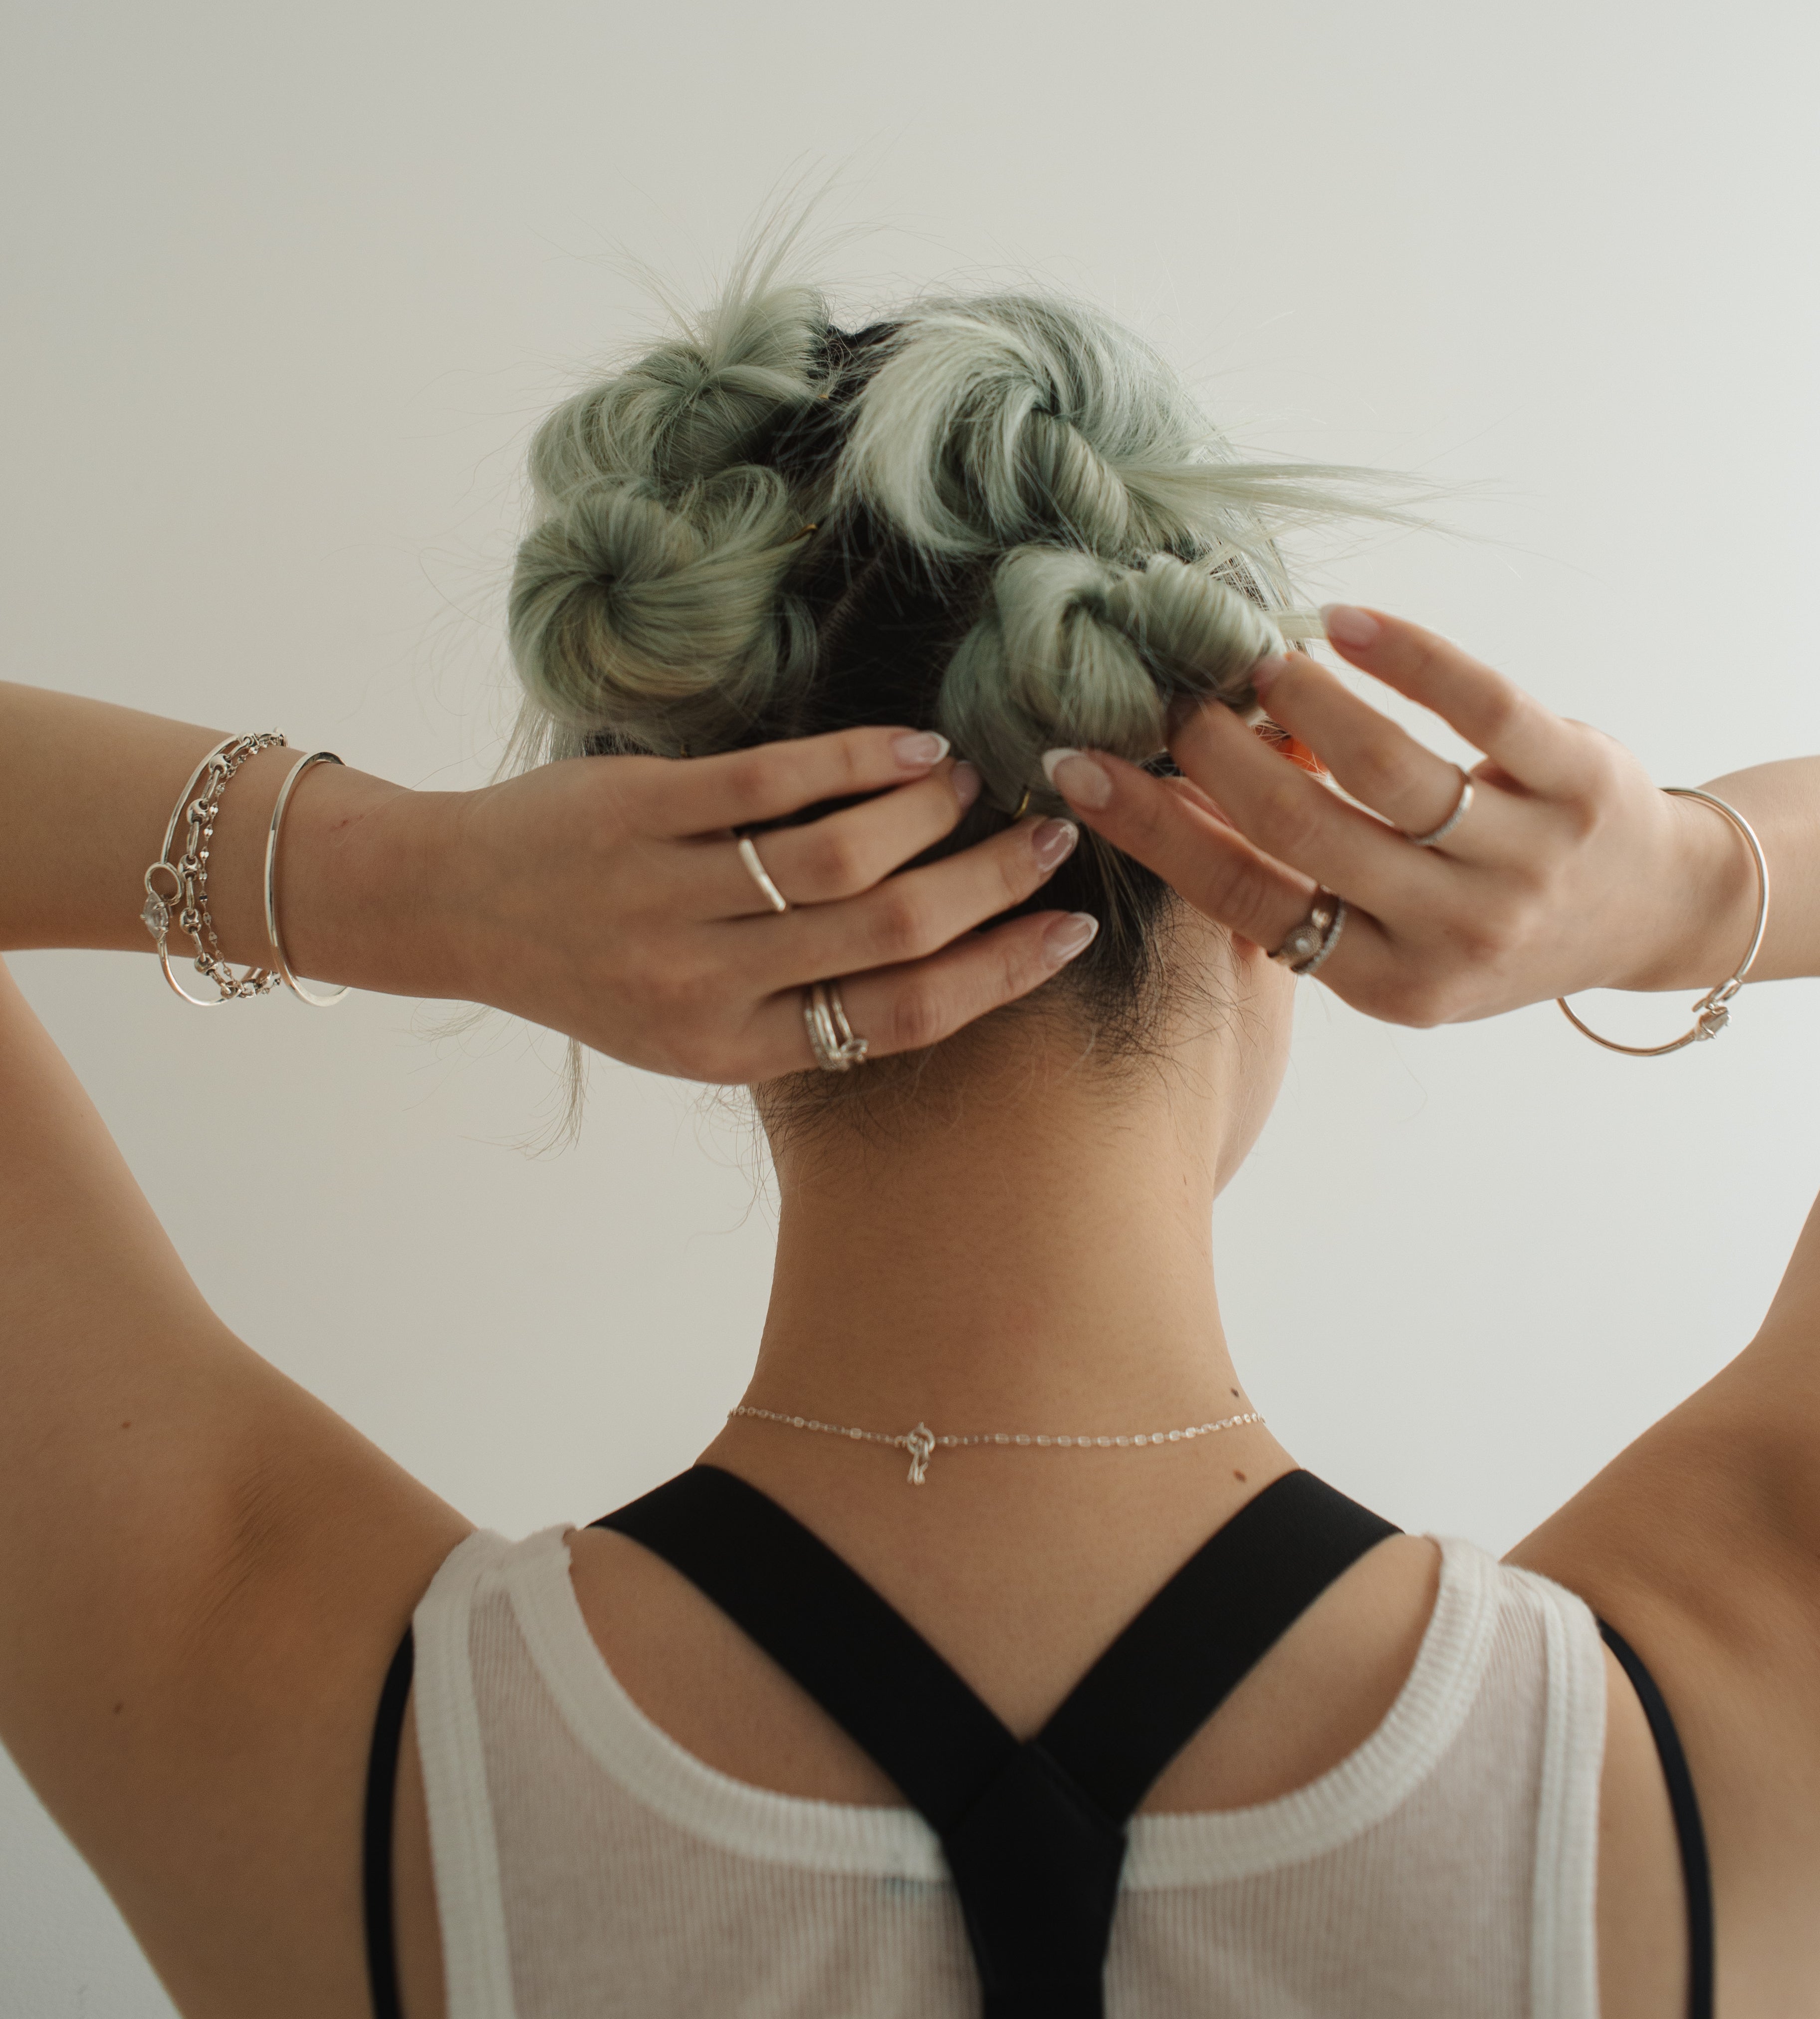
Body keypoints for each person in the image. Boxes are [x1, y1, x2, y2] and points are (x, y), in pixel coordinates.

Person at [2, 271, 1817, 2019]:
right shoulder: (1691, 1745)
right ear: (1265, 865)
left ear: (670, 935)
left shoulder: (321, 1725)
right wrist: (1690, 886)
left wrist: (401, 880)